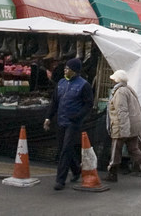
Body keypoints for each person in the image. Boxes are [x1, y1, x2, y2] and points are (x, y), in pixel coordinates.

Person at [43, 57, 93, 190]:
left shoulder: (84, 85)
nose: (65, 70)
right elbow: (55, 102)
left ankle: (60, 180)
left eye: (68, 68)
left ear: (75, 71)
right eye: (65, 68)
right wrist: (48, 117)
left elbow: (88, 104)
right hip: (61, 120)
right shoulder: (61, 83)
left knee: (66, 149)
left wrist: (78, 116)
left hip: (73, 123)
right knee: (62, 148)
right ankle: (76, 170)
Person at [104, 69, 141, 184]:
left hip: (122, 126)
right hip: (133, 126)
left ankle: (112, 173)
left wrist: (123, 130)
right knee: (134, 150)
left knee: (116, 151)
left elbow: (122, 111)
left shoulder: (120, 92)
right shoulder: (129, 90)